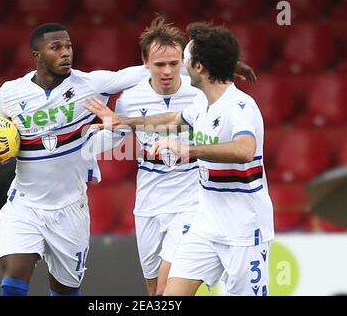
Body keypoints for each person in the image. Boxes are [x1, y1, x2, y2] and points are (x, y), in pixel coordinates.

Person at [85, 22, 274, 296]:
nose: (177, 68)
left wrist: (190, 150)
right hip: (206, 225)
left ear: (198, 66)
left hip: (244, 230)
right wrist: (122, 121)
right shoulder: (200, 104)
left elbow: (245, 149)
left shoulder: (241, 106)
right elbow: (171, 120)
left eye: (183, 60)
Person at [0, 23, 150, 296]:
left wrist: (190, 64)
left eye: (69, 46)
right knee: (13, 279)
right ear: (36, 55)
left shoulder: (91, 84)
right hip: (25, 204)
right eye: (56, 47)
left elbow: (141, 73)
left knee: (65, 290)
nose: (66, 53)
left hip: (70, 209)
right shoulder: (10, 93)